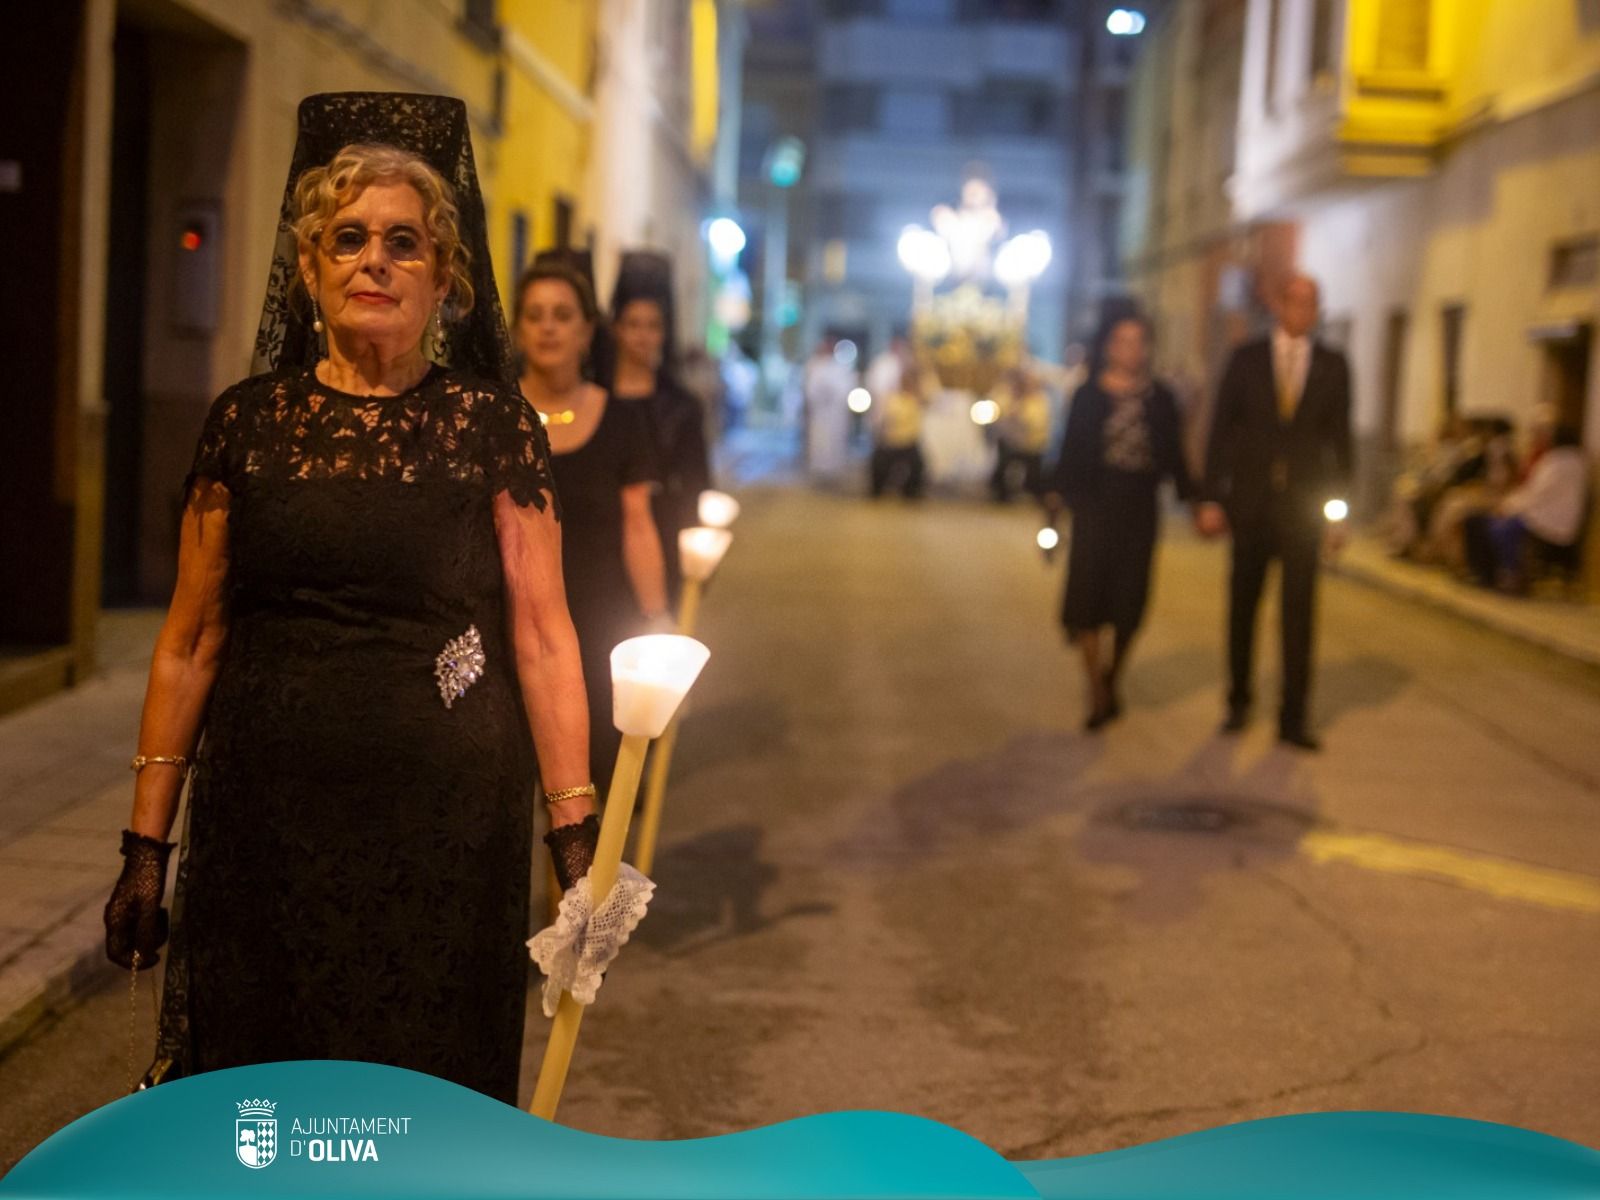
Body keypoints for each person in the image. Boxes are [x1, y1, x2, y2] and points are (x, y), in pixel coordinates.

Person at [100, 95, 598, 1104]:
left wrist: (574, 837)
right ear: (310, 269)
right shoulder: (246, 425)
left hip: (445, 836)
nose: (374, 260)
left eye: (403, 243)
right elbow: (191, 642)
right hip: (263, 833)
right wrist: (146, 849)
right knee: (266, 1105)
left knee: (419, 1103)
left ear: (445, 280)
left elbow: (544, 638)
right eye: (349, 239)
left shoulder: (489, 425)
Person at [514, 260, 670, 793]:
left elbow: (638, 527)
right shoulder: (494, 417)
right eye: (534, 316)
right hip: (513, 628)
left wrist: (658, 620)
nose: (548, 327)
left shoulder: (622, 420)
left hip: (599, 628)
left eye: (562, 315)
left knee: (591, 789)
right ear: (516, 330)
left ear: (586, 331)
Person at [1197, 273, 1353, 751]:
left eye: (1312, 303)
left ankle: (1293, 717)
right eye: (1296, 301)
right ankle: (1239, 701)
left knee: (1299, 613)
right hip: (1251, 504)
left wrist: (1339, 511)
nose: (1303, 311)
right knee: (1243, 606)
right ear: (1280, 305)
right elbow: (1220, 429)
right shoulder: (1246, 360)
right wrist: (1210, 496)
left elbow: (1340, 441)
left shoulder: (1332, 365)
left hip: (1302, 509)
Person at [1044, 314, 1195, 729]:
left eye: (1139, 341)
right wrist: (1056, 498)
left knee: (1130, 597)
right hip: (1095, 503)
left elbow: (1176, 454)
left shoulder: (1160, 398)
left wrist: (1198, 501)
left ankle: (1114, 674)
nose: (1131, 349)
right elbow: (1070, 449)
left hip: (1139, 506)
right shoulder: (1088, 396)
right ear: (1109, 347)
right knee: (1089, 594)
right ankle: (1096, 689)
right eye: (1123, 340)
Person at [609, 255, 713, 606]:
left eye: (652, 326)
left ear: (663, 334)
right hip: (601, 539)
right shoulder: (595, 398)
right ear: (617, 328)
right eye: (633, 324)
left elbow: (696, 485)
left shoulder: (682, 406)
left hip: (662, 535)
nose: (642, 335)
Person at [1473, 424, 1589, 592]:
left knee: (1502, 528)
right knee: (1489, 523)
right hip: (1552, 514)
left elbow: (1537, 493)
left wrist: (1509, 505)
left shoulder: (1557, 462)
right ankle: (1498, 575)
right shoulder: (1576, 461)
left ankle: (1510, 575)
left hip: (1549, 517)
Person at [870, 358, 935, 499]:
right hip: (891, 441)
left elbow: (930, 398)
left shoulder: (916, 400)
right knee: (878, 462)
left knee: (918, 464)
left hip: (909, 442)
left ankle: (911, 491)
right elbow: (881, 419)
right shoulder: (890, 399)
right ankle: (877, 489)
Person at [989, 360, 1054, 503]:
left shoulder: (1039, 399)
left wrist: (1021, 416)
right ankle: (1001, 491)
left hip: (1032, 444)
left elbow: (1038, 423)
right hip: (1009, 442)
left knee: (1034, 472)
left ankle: (1034, 490)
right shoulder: (1004, 395)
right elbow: (995, 417)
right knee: (1002, 460)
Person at [802, 335, 857, 480]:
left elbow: (845, 388)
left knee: (834, 441)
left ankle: (833, 468)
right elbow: (811, 389)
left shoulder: (839, 368)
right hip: (820, 413)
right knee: (819, 441)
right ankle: (819, 467)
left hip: (835, 413)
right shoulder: (816, 366)